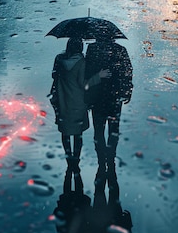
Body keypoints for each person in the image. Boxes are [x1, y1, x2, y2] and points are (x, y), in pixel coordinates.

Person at [50, 37, 109, 178]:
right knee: (77, 133)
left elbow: (54, 75)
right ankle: (75, 160)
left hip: (62, 100)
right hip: (77, 102)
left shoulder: (59, 59)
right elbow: (84, 85)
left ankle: (68, 157)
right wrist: (99, 76)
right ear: (80, 47)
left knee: (65, 132)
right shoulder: (81, 62)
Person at [84, 35, 133, 181]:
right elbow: (128, 72)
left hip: (97, 97)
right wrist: (127, 91)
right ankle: (110, 158)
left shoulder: (92, 49)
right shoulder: (121, 50)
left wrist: (87, 97)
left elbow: (87, 72)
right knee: (114, 129)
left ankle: (101, 160)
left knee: (98, 130)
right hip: (114, 97)